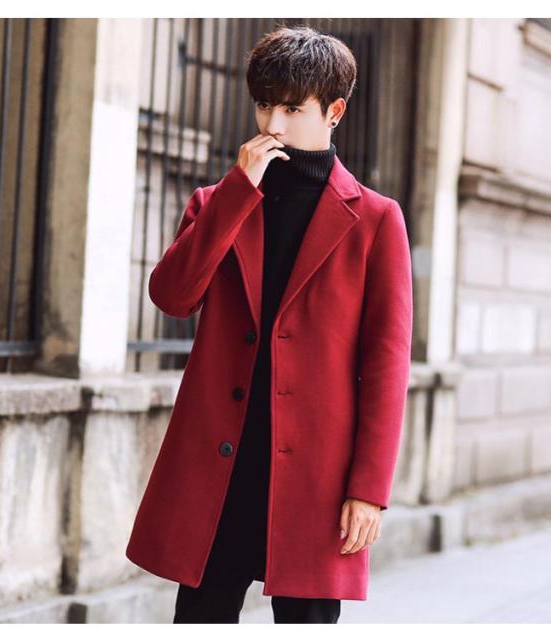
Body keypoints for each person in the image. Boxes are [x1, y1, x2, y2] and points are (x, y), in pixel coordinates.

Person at [126, 24, 413, 624]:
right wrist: (237, 193)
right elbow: (172, 297)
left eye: (291, 109)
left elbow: (386, 365)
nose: (272, 125)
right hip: (221, 464)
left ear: (334, 111)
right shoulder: (217, 203)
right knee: (200, 618)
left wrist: (369, 490)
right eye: (264, 105)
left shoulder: (376, 220)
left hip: (316, 473)